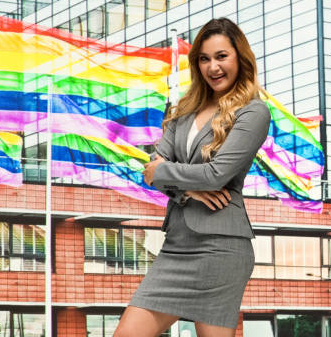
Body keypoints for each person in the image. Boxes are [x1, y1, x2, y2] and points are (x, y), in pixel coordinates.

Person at [113, 18, 271, 337]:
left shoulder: (253, 112)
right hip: (177, 245)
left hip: (221, 248)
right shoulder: (183, 110)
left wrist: (167, 174)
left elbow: (216, 175)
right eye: (204, 58)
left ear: (240, 57)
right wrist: (188, 192)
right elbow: (150, 171)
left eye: (221, 56)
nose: (213, 66)